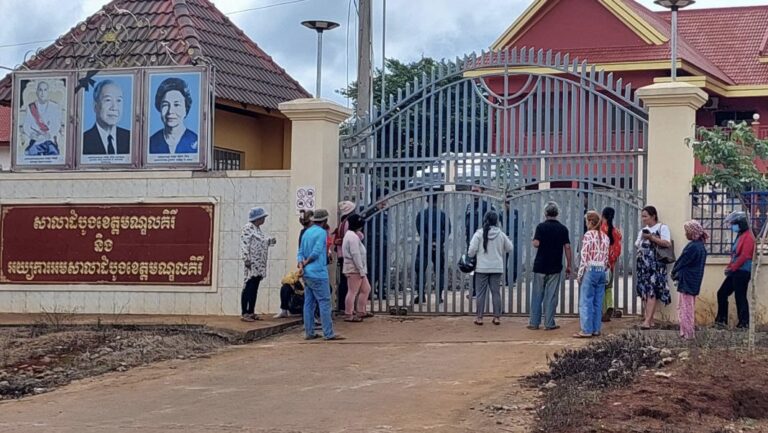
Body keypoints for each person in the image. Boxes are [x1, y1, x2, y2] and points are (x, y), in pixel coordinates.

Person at [298, 209, 344, 341]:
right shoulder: (322, 233)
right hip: (318, 272)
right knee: (324, 303)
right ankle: (328, 333)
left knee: (309, 303)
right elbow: (317, 251)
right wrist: (307, 262)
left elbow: (300, 251)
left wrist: (302, 265)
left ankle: (309, 332)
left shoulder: (306, 232)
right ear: (325, 220)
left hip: (307, 273)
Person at [528, 201, 573, 331]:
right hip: (555, 266)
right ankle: (549, 323)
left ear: (545, 213)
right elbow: (567, 247)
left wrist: (535, 240)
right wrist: (569, 265)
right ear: (557, 213)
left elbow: (536, 244)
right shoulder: (563, 229)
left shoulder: (541, 227)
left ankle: (534, 323)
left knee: (537, 295)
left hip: (540, 266)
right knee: (551, 296)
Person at [467, 211, 513, 326]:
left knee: (480, 293)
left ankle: (479, 318)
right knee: (496, 292)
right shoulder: (501, 234)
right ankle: (497, 317)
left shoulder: (479, 234)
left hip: (482, 268)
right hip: (496, 268)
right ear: (496, 221)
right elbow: (510, 248)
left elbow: (471, 251)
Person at [715, 211, 756, 329]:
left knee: (740, 295)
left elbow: (744, 256)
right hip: (736, 270)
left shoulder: (749, 236)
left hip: (742, 271)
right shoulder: (741, 235)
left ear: (741, 223)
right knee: (722, 293)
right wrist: (730, 267)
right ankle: (721, 321)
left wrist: (732, 267)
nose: (732, 226)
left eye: (734, 223)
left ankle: (744, 323)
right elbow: (735, 254)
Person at [635, 205, 672, 330]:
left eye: (645, 216)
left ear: (653, 216)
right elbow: (637, 245)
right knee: (645, 292)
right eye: (642, 216)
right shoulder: (643, 230)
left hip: (655, 265)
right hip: (643, 265)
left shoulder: (662, 227)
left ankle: (647, 320)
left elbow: (667, 243)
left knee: (651, 291)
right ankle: (649, 319)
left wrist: (651, 238)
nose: (643, 219)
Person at [574, 211, 610, 338]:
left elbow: (584, 257)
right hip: (601, 270)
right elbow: (606, 258)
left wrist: (579, 275)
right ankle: (596, 328)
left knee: (586, 301)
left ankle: (586, 329)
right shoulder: (605, 237)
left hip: (590, 269)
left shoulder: (588, 235)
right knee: (597, 301)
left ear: (590, 222)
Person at [671, 220, 708, 339]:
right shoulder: (700, 246)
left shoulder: (693, 247)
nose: (685, 234)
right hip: (693, 281)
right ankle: (687, 332)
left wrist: (674, 271)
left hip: (687, 281)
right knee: (687, 306)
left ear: (692, 233)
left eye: (687, 232)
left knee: (685, 308)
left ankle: (688, 333)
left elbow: (682, 261)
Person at [240, 207, 276, 322]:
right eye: (263, 217)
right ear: (258, 218)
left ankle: (251, 311)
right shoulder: (248, 228)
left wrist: (270, 241)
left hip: (259, 264)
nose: (264, 219)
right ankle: (245, 312)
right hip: (252, 263)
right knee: (248, 286)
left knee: (254, 287)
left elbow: (261, 241)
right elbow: (245, 244)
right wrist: (246, 259)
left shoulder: (257, 229)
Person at [414, 193, 451, 305]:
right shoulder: (443, 215)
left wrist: (429, 241)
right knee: (439, 271)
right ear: (437, 201)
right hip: (439, 246)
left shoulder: (422, 214)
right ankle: (439, 296)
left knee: (420, 270)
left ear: (427, 201)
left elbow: (420, 230)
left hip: (424, 245)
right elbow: (448, 231)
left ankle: (421, 296)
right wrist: (438, 242)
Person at [465, 183, 499, 299]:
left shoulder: (488, 206)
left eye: (476, 191)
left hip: (486, 240)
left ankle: (484, 291)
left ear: (482, 192)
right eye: (472, 191)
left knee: (485, 266)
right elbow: (467, 223)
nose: (474, 193)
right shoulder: (469, 206)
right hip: (472, 240)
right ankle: (475, 291)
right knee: (474, 266)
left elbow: (494, 223)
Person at [149, 77, 198, 154]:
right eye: (165, 105)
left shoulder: (197, 142)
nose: (170, 111)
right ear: (159, 108)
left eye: (177, 104)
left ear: (186, 108)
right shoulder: (150, 143)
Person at [82, 80, 130, 155]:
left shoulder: (130, 138)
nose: (114, 107)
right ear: (95, 106)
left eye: (119, 100)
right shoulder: (82, 141)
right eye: (108, 100)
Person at [342, 214, 373, 322]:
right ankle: (349, 314)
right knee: (352, 291)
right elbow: (356, 255)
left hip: (357, 269)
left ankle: (361, 311)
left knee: (366, 289)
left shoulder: (351, 235)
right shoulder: (352, 237)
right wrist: (360, 269)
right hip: (354, 269)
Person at [362, 188, 390, 300]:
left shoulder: (384, 211)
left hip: (382, 243)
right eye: (384, 197)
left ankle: (381, 290)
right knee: (371, 267)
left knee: (382, 268)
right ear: (378, 198)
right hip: (371, 244)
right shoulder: (368, 211)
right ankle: (369, 290)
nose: (386, 199)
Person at [22, 81, 61, 156]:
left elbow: (56, 125)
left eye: (45, 90)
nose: (42, 93)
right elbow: (26, 125)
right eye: (40, 90)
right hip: (36, 141)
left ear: (48, 92)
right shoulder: (31, 107)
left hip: (49, 141)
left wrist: (50, 134)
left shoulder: (54, 107)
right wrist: (31, 134)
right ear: (37, 92)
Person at [333, 201, 356, 313]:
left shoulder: (342, 223)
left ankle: (343, 305)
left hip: (342, 254)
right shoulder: (347, 223)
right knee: (346, 282)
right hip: (346, 255)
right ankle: (344, 307)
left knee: (344, 281)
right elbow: (348, 240)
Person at [600, 207, 623, 322]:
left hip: (599, 264)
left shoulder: (599, 230)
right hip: (610, 265)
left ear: (602, 215)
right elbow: (618, 250)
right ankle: (609, 306)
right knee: (608, 287)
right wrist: (611, 261)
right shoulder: (616, 232)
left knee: (600, 287)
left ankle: (603, 310)